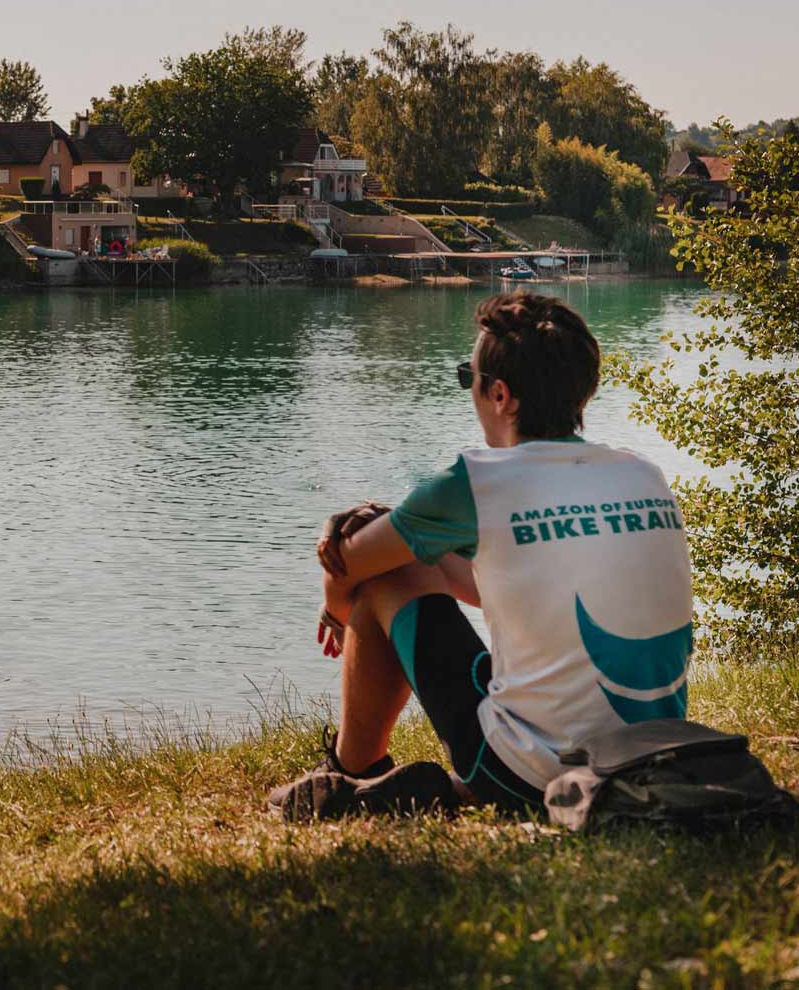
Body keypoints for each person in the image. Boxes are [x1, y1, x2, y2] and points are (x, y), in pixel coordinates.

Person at [268, 291, 694, 820]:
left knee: (385, 576)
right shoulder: (640, 472)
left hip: (532, 776)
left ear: (499, 395)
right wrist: (402, 533)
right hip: (654, 754)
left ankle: (350, 773)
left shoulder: (478, 481)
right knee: (401, 558)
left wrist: (335, 606)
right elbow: (488, 584)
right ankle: (376, 778)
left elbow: (353, 565)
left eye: (466, 376)